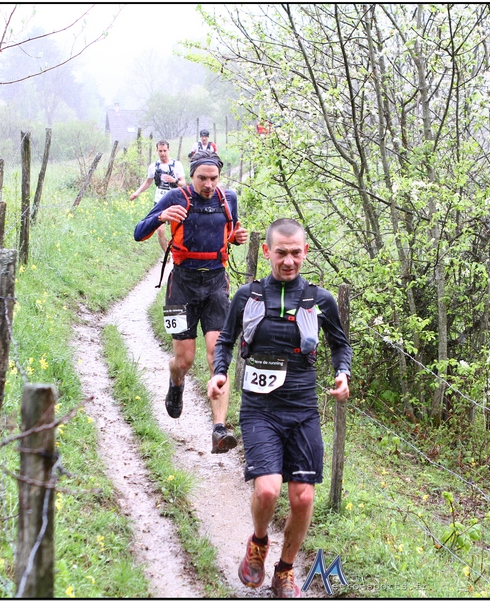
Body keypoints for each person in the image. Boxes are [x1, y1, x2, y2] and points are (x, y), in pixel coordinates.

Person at [207, 218, 352, 598]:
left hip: (303, 410)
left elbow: (341, 345)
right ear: (268, 252)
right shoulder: (248, 296)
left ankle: (284, 571)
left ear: (305, 252)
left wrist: (343, 374)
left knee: (303, 497)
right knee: (269, 490)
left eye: (296, 253)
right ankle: (258, 543)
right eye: (281, 253)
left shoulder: (320, 300)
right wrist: (219, 373)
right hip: (260, 410)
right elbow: (225, 340)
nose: (289, 261)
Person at [134, 150, 248, 453]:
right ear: (192, 175)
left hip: (216, 286)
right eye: (202, 178)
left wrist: (236, 238)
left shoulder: (228, 198)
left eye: (213, 178)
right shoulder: (176, 197)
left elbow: (228, 231)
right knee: (184, 360)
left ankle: (219, 429)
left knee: (216, 356)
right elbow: (138, 233)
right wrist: (160, 217)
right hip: (182, 286)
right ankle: (176, 382)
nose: (208, 184)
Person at [130, 140, 186, 252]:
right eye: (160, 151)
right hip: (160, 201)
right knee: (160, 230)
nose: (163, 153)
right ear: (157, 151)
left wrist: (174, 180)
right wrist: (137, 192)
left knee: (178, 229)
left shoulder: (177, 165)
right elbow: (148, 182)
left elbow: (183, 183)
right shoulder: (153, 166)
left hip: (175, 200)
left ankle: (179, 252)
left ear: (168, 150)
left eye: (165, 150)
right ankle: (167, 254)